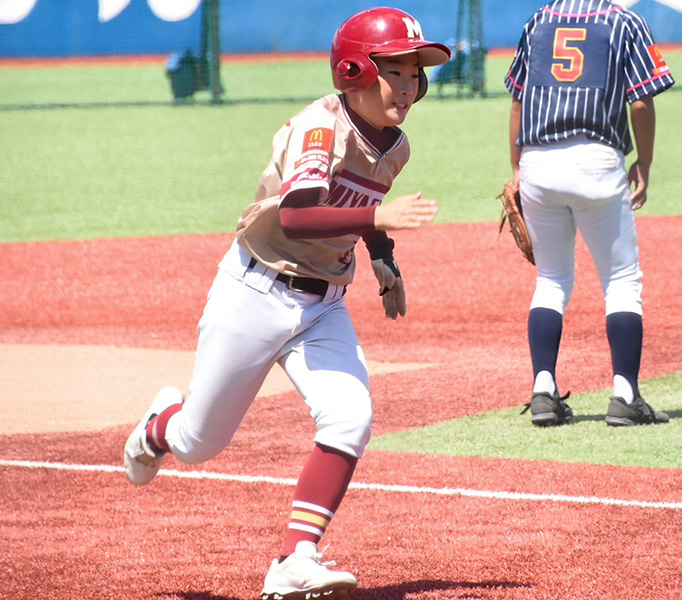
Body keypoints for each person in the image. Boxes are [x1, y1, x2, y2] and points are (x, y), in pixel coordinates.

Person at [123, 8, 449, 600]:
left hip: (323, 303)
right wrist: (378, 218)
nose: (408, 85)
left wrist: (382, 256)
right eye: (395, 70)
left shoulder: (396, 146)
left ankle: (294, 560)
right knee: (199, 443)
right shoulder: (319, 128)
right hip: (255, 288)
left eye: (414, 73)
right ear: (353, 71)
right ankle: (156, 428)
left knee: (350, 417)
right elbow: (298, 215)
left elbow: (362, 199)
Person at [506, 0, 674, 427]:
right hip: (596, 159)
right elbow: (641, 102)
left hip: (538, 161)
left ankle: (543, 390)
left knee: (551, 279)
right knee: (620, 281)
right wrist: (645, 163)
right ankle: (624, 394)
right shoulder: (624, 22)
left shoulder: (540, 20)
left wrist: (516, 170)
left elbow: (518, 102)